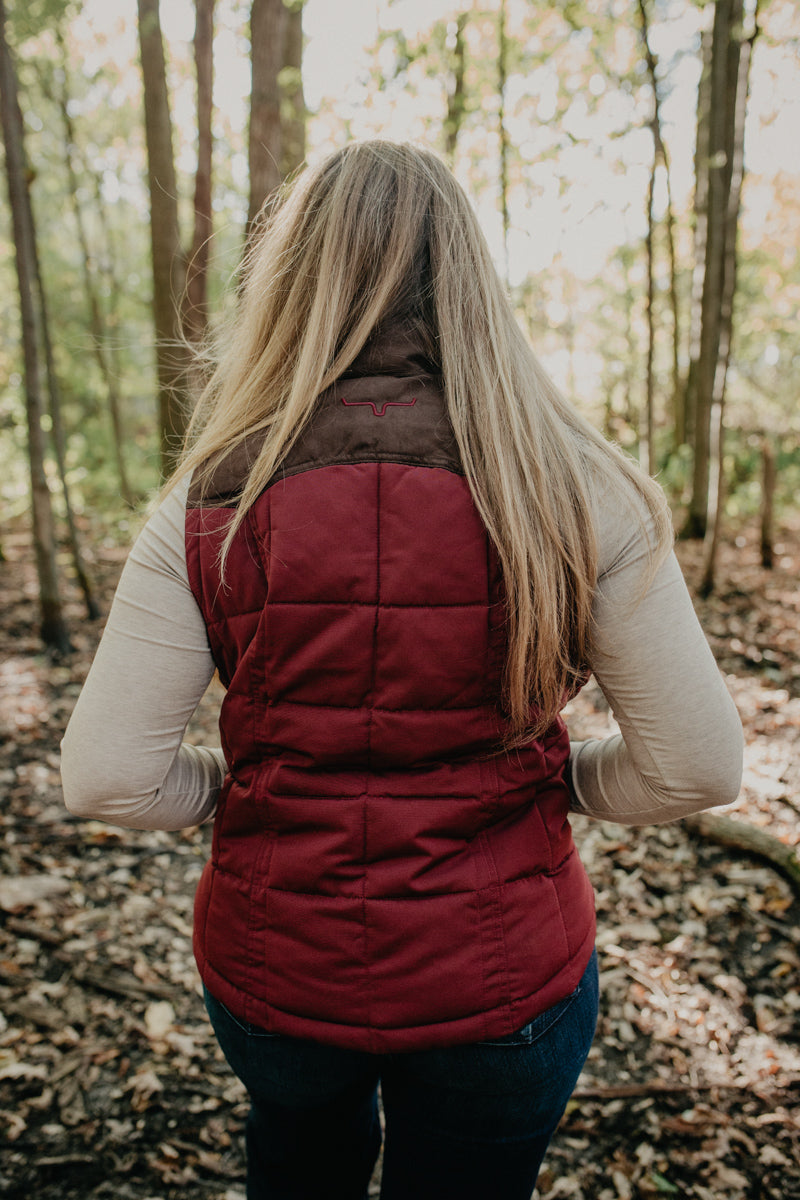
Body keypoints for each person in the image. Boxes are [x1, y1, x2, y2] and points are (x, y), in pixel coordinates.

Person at [61, 141, 743, 1200]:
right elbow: (694, 767)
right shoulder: (572, 486)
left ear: (289, 284)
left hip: (275, 975)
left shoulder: (210, 496)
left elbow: (109, 777)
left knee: (299, 1167)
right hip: (504, 982)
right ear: (470, 280)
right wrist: (560, 783)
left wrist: (240, 790)